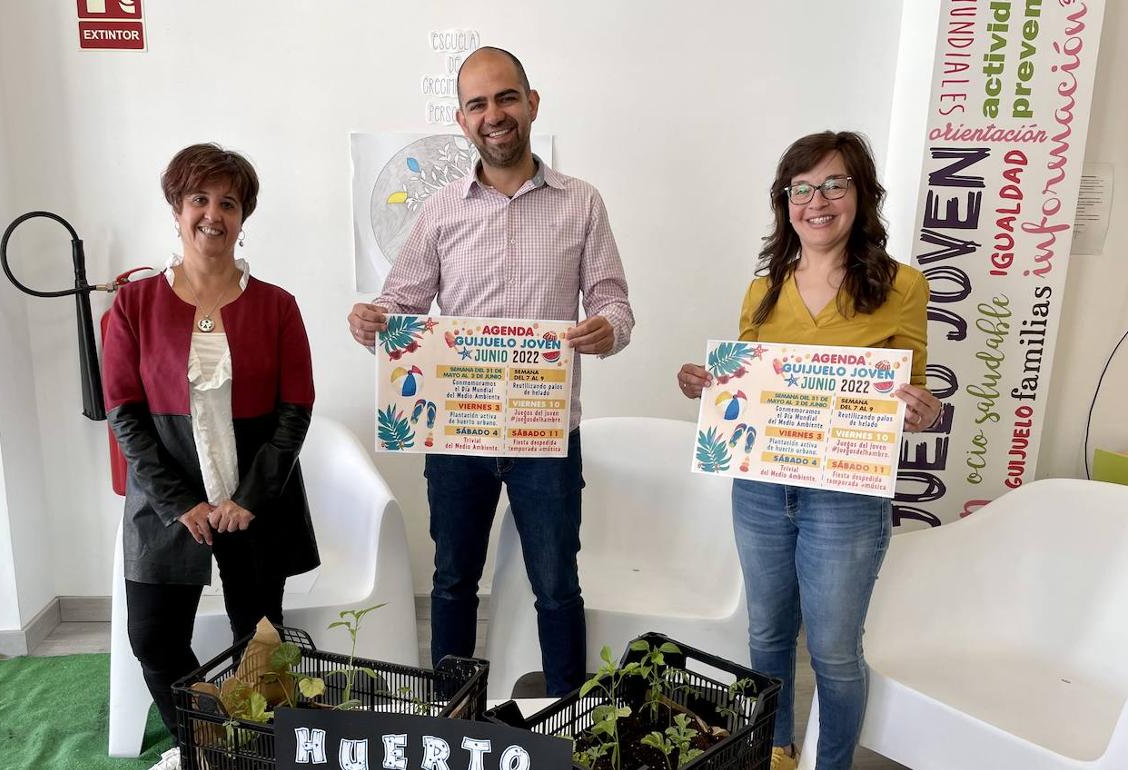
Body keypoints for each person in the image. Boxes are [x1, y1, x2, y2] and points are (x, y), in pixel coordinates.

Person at [346, 47, 634, 696]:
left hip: (545, 435)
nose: (493, 114)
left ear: (532, 104)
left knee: (556, 587)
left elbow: (614, 304)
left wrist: (607, 329)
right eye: (477, 104)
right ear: (461, 119)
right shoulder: (440, 209)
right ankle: (453, 719)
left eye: (505, 97)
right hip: (458, 435)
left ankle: (566, 723)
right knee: (452, 582)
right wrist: (375, 323)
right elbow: (401, 306)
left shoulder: (582, 203)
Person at [676, 131, 941, 770]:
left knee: (835, 654)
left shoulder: (902, 286)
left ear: (861, 195)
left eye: (834, 185)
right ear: (785, 202)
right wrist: (709, 386)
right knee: (766, 635)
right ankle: (775, 751)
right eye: (801, 189)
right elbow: (748, 387)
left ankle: (832, 764)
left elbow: (916, 388)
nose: (816, 201)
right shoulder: (763, 289)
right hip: (761, 490)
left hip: (847, 497)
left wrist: (922, 407)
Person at [103, 143, 318, 740]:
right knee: (153, 637)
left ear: (243, 217)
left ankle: (264, 747)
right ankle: (208, 744)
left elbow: (295, 410)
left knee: (261, 642)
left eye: (229, 203)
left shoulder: (278, 306)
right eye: (199, 199)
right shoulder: (133, 305)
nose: (213, 214)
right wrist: (179, 502)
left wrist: (249, 498)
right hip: (167, 501)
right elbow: (125, 415)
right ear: (177, 209)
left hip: (255, 500)